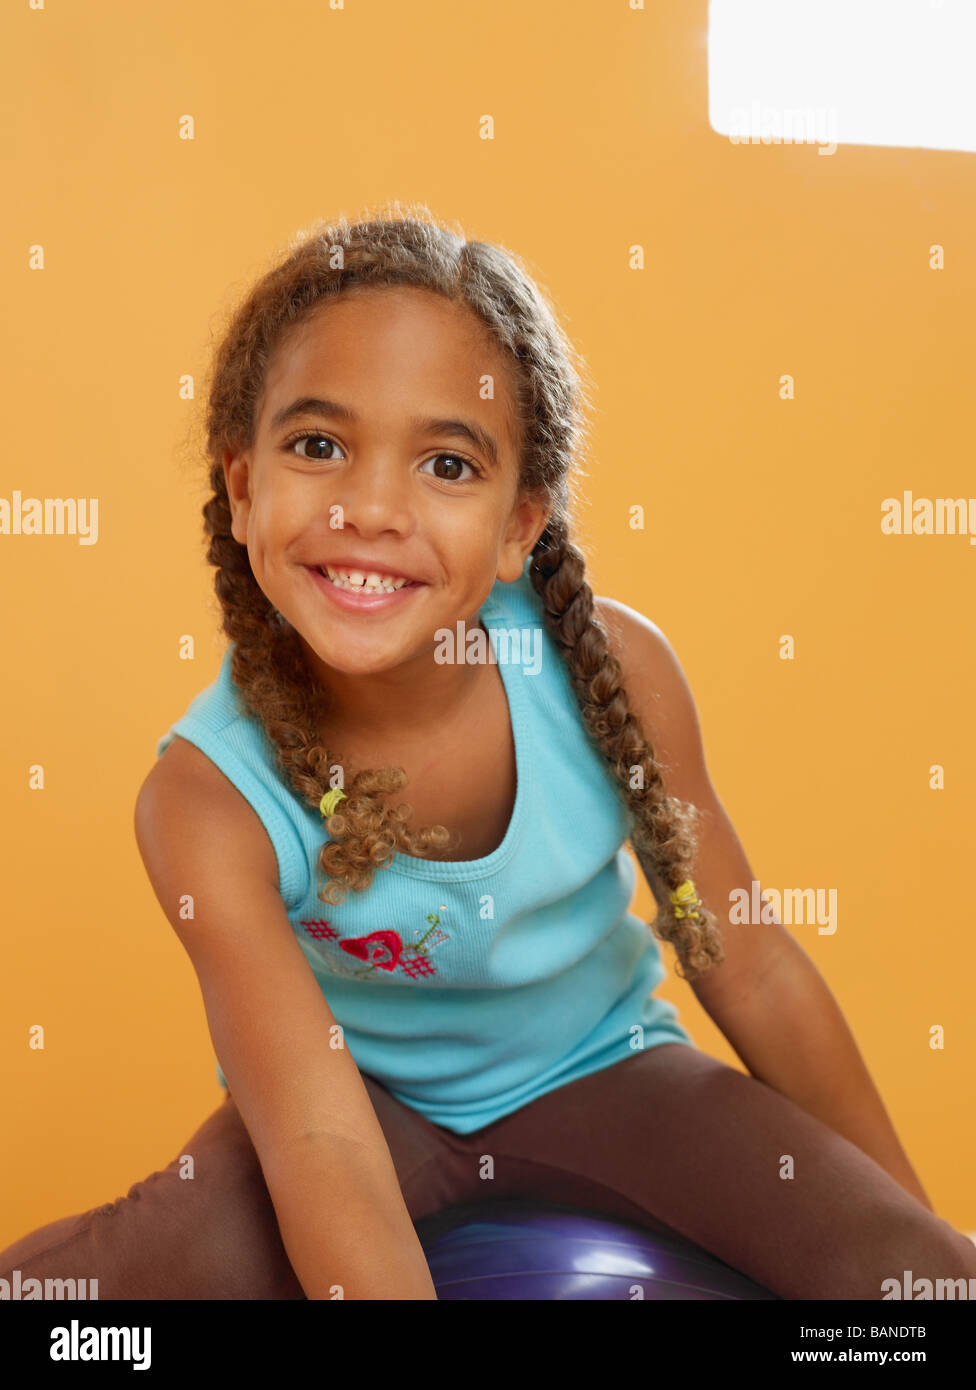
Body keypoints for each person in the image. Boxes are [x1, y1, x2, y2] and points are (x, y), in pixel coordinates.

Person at [3, 204, 974, 1301]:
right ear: (239, 486)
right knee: (91, 1294)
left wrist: (918, 1246)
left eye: (447, 465)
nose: (371, 507)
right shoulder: (204, 798)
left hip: (607, 1078)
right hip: (349, 1106)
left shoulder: (613, 672)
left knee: (909, 1280)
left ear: (521, 523)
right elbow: (319, 1142)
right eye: (318, 446)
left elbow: (746, 960)